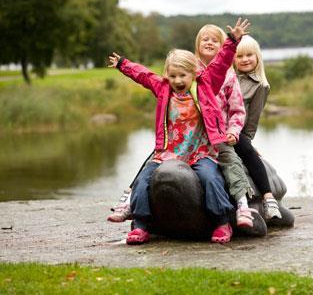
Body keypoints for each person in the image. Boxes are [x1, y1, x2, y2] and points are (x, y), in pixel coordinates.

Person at [107, 18, 250, 245]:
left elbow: (221, 63)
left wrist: (232, 41)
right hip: (170, 152)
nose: (177, 80)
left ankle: (221, 222)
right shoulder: (163, 88)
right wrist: (123, 64)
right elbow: (144, 75)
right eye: (173, 76)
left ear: (194, 73)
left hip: (201, 151)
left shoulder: (206, 85)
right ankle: (141, 225)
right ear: (167, 75)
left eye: (183, 76)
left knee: (211, 178)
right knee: (144, 178)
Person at [195, 24, 257, 228]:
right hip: (190, 135)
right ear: (198, 44)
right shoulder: (188, 70)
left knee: (231, 162)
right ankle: (131, 198)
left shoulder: (229, 76)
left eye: (215, 40)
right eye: (205, 39)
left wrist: (232, 131)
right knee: (155, 159)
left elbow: (237, 110)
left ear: (223, 47)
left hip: (217, 135)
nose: (209, 43)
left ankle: (242, 204)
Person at [233, 35, 282, 220]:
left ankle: (268, 198)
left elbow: (252, 120)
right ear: (233, 59)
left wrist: (247, 141)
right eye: (240, 56)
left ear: (257, 57)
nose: (245, 59)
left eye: (249, 55)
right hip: (217, 130)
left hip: (238, 132)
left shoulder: (260, 86)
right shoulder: (228, 78)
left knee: (248, 151)